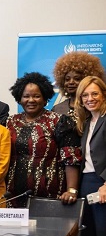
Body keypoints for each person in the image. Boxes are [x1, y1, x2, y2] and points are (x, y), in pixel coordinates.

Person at [6, 72, 81, 207]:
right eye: (26, 96)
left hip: (49, 193)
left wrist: (71, 190)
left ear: (45, 99)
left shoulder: (59, 121)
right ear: (19, 99)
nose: (31, 100)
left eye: (36, 96)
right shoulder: (10, 122)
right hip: (14, 194)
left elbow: (71, 158)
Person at [75, 76, 106, 236]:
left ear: (103, 95)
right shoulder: (86, 122)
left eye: (95, 93)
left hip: (102, 184)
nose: (90, 98)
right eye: (85, 95)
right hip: (85, 185)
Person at [52, 51, 106, 116]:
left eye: (77, 79)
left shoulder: (94, 106)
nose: (71, 82)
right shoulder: (57, 109)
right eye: (67, 79)